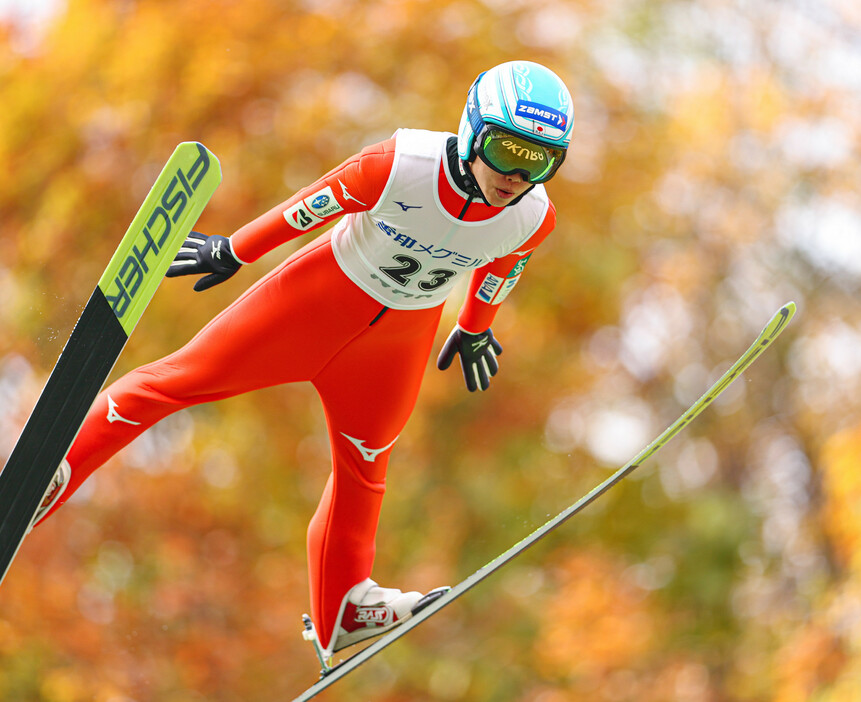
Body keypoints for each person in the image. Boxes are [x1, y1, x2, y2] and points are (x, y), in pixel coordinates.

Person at [32, 60, 575, 659]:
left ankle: (343, 607)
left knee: (365, 468)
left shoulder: (533, 217)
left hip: (396, 343)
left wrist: (474, 329)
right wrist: (234, 249)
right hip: (317, 303)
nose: (515, 175)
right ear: (474, 130)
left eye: (538, 160)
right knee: (179, 380)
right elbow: (311, 207)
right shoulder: (400, 164)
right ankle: (55, 469)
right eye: (505, 150)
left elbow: (503, 269)